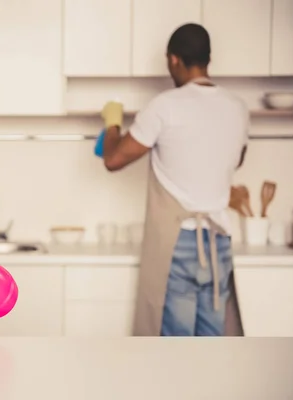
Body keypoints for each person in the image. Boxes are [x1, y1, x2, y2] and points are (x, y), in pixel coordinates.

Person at [98, 23, 248, 336]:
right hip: (219, 241)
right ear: (208, 59)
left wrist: (113, 123)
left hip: (177, 244)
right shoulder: (238, 108)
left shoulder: (165, 106)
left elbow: (114, 159)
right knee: (212, 343)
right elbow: (238, 159)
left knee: (174, 349)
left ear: (173, 60)